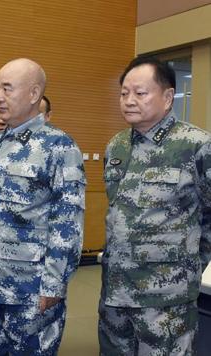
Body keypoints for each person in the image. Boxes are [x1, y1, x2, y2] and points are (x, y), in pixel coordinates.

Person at [0, 58, 86, 355]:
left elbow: (67, 222)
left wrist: (54, 284)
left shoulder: (59, 147)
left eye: (7, 88)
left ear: (33, 94)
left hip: (30, 291)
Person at [99, 56, 211, 355]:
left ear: (168, 97)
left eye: (140, 93)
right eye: (124, 93)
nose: (129, 101)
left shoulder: (196, 145)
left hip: (166, 299)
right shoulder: (117, 146)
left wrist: (191, 263)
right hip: (115, 295)